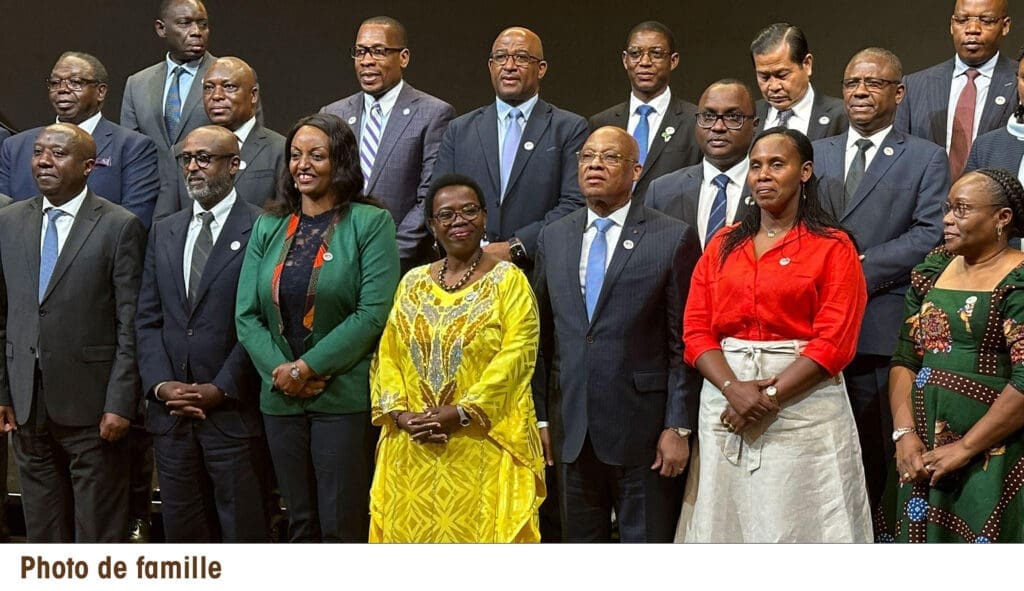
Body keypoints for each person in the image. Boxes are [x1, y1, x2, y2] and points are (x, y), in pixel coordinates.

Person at [681, 127, 871, 542]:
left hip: (803, 404)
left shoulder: (833, 246)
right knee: (725, 524)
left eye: (776, 164)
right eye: (756, 166)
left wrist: (766, 397)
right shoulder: (723, 244)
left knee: (800, 524)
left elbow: (834, 343)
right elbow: (695, 330)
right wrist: (733, 390)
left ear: (805, 172)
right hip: (725, 401)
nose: (763, 174)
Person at [236, 113, 400, 542]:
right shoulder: (269, 225)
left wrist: (305, 368)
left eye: (316, 155)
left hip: (342, 398)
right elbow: (246, 316)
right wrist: (282, 373)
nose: (302, 165)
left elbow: (372, 313)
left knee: (341, 524)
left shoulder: (371, 222)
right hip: (280, 398)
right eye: (295, 155)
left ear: (340, 161)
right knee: (299, 523)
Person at [533, 126, 701, 542]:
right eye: (587, 157)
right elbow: (542, 339)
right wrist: (541, 418)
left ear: (636, 170)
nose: (595, 165)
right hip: (572, 429)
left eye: (610, 158)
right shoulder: (554, 236)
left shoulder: (672, 236)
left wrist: (678, 426)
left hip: (643, 433)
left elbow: (683, 343)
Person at [369, 173, 545, 542]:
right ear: (432, 225)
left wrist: (464, 412)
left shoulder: (509, 281)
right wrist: (399, 414)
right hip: (412, 446)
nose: (458, 221)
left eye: (469, 211)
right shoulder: (412, 282)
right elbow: (388, 354)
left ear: (484, 217)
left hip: (482, 444)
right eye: (446, 215)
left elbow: (518, 354)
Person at [812, 48, 949, 511]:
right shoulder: (816, 152)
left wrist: (854, 268)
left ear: (899, 92)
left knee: (876, 456)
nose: (860, 92)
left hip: (878, 327)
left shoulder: (926, 157)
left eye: (873, 83)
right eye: (852, 83)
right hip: (814, 327)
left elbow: (930, 233)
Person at [0, 123, 147, 542]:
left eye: (58, 153)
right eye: (38, 152)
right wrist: (3, 393)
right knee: (43, 536)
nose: (44, 161)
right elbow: (3, 315)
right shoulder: (8, 221)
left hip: (94, 406)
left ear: (88, 166)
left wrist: (120, 402)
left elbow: (130, 324)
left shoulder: (120, 225)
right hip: (27, 403)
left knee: (96, 537)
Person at [136, 125, 270, 542]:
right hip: (172, 418)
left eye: (204, 158)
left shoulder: (264, 227)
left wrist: (222, 388)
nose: (192, 167)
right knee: (184, 545)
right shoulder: (165, 229)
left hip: (233, 415)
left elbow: (264, 320)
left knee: (243, 537)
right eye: (186, 159)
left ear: (234, 165)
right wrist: (161, 386)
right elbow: (148, 318)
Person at [882, 168, 1024, 543]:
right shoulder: (932, 270)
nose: (947, 219)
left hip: (994, 450)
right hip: (920, 448)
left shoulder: (1018, 279)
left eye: (961, 209)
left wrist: (965, 447)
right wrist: (904, 434)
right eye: (948, 208)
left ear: (1002, 217)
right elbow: (905, 359)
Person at [434, 26, 587, 268]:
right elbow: (437, 200)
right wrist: (467, 247)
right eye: (501, 57)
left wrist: (516, 246)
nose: (509, 66)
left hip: (537, 270)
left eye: (522, 57)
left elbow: (575, 204)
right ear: (490, 66)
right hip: (468, 268)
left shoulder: (569, 128)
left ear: (541, 68)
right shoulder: (459, 129)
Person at [320, 16, 455, 273]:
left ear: (403, 57)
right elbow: (322, 190)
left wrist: (386, 255)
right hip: (336, 261)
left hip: (401, 264)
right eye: (360, 51)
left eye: (379, 51)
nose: (367, 60)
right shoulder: (333, 114)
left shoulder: (433, 114)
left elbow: (430, 197)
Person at [0, 52, 159, 227]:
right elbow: (5, 217)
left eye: (75, 82)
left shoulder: (133, 146)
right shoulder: (15, 146)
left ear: (100, 91)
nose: (62, 89)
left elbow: (134, 221)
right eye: (55, 83)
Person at [896, 0, 1015, 181]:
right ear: (952, 25)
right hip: (927, 197)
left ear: (1005, 26)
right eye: (962, 20)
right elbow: (900, 157)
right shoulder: (914, 86)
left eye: (986, 20)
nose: (972, 29)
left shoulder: (1018, 81)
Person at [122, 0, 215, 221]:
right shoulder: (138, 83)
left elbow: (246, 142)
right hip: (152, 205)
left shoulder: (228, 77)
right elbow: (132, 151)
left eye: (202, 24)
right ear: (161, 29)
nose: (196, 31)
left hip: (209, 199)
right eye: (185, 23)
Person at [158, 57, 285, 217]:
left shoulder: (280, 150)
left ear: (253, 95)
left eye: (229, 87)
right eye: (209, 88)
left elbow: (286, 219)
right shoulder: (180, 152)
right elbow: (163, 223)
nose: (216, 95)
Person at [589, 21, 700, 200]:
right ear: (625, 60)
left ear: (673, 61)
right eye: (635, 54)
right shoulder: (602, 123)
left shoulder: (694, 120)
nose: (645, 62)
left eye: (656, 54)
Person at [646, 79, 758, 247]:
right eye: (708, 117)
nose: (718, 127)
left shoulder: (770, 188)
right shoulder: (661, 191)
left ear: (755, 125)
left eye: (732, 117)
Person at [750, 23, 847, 140]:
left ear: (807, 64)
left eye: (782, 75)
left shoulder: (842, 117)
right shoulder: (747, 117)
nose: (774, 86)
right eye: (764, 77)